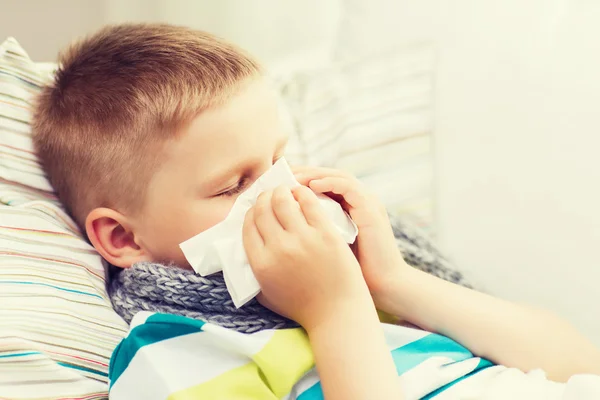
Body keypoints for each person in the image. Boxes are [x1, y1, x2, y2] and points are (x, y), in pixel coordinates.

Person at [32, 23, 600, 399]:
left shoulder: (364, 280)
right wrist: (333, 312)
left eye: (281, 158)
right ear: (122, 238)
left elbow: (579, 365)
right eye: (233, 186)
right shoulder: (173, 352)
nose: (280, 192)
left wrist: (392, 281)